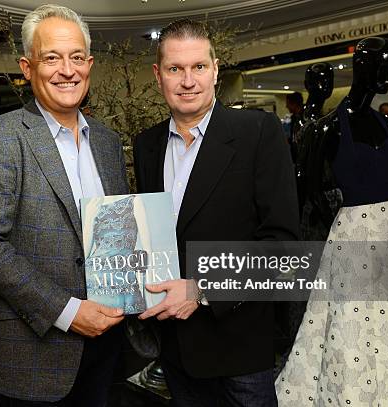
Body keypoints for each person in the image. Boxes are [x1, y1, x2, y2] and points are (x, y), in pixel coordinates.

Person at [0, 4, 128, 406]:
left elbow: (119, 229)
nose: (66, 70)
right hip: (32, 352)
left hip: (107, 344)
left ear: (89, 64)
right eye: (51, 58)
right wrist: (68, 312)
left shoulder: (106, 142)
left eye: (75, 58)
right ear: (27, 67)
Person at [133, 19, 299, 406]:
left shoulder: (258, 132)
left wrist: (200, 288)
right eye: (175, 69)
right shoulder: (147, 145)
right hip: (174, 349)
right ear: (159, 75)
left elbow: (283, 246)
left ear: (215, 69)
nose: (188, 81)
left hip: (239, 347)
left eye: (198, 67)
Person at [276, 37, 388, 406]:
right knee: (355, 323)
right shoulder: (327, 129)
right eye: (382, 67)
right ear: (362, 68)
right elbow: (310, 195)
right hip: (356, 233)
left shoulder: (384, 123)